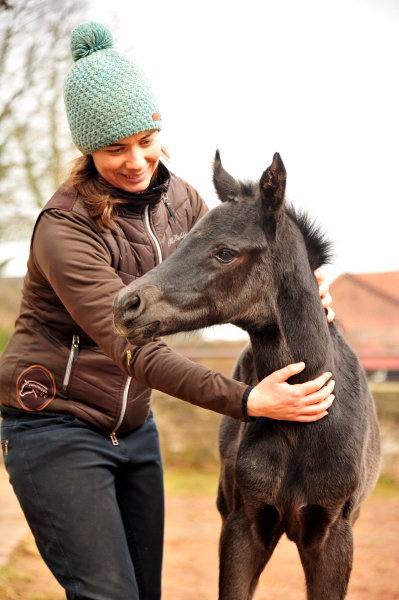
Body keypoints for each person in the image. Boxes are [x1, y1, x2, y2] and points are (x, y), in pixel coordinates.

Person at [0, 22, 335, 600]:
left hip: (134, 429)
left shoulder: (183, 201)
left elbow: (231, 276)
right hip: (54, 425)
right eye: (114, 148)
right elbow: (130, 345)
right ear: (87, 149)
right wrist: (247, 401)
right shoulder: (64, 228)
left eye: (145, 139)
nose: (136, 161)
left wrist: (302, 291)